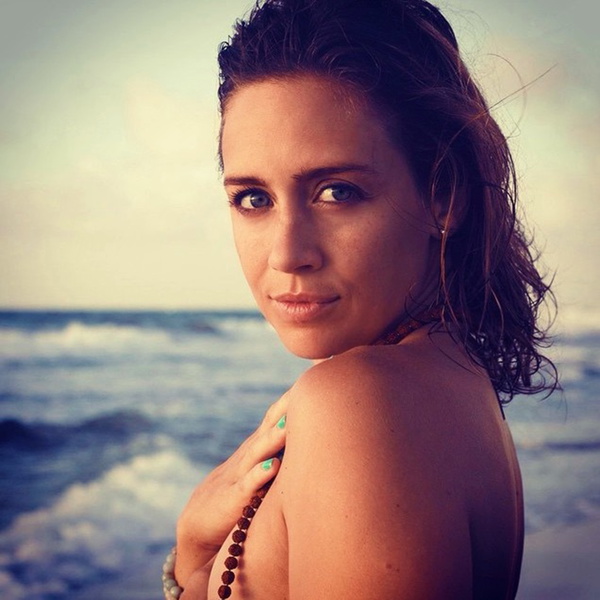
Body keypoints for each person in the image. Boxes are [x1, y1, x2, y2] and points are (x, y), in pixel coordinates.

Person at [164, 0, 557, 598]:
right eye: (253, 199)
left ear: (443, 195)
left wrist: (190, 573)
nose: (287, 254)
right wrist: (194, 559)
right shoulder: (449, 378)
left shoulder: (359, 401)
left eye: (336, 192)